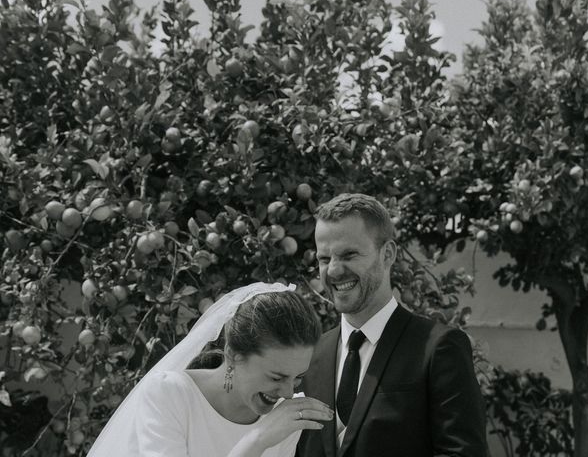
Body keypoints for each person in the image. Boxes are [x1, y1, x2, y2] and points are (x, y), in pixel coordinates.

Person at [296, 193, 487, 457]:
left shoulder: (439, 348)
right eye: (324, 259)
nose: (334, 271)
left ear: (388, 254)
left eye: (349, 254)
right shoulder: (310, 354)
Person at [88, 282, 333, 457]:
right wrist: (257, 440)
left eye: (298, 378)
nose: (288, 393)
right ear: (234, 355)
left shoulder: (284, 416)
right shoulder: (169, 394)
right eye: (276, 377)